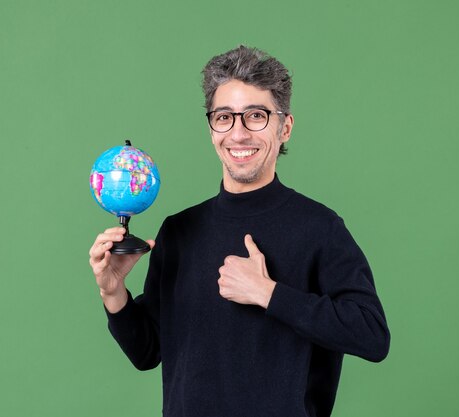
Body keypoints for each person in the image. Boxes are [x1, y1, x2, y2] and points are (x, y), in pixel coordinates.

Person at [89, 45, 390, 417]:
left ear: (285, 127)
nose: (239, 133)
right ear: (211, 127)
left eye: (256, 116)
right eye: (224, 117)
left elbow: (372, 335)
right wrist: (113, 291)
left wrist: (269, 294)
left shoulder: (319, 228)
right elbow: (147, 352)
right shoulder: (179, 232)